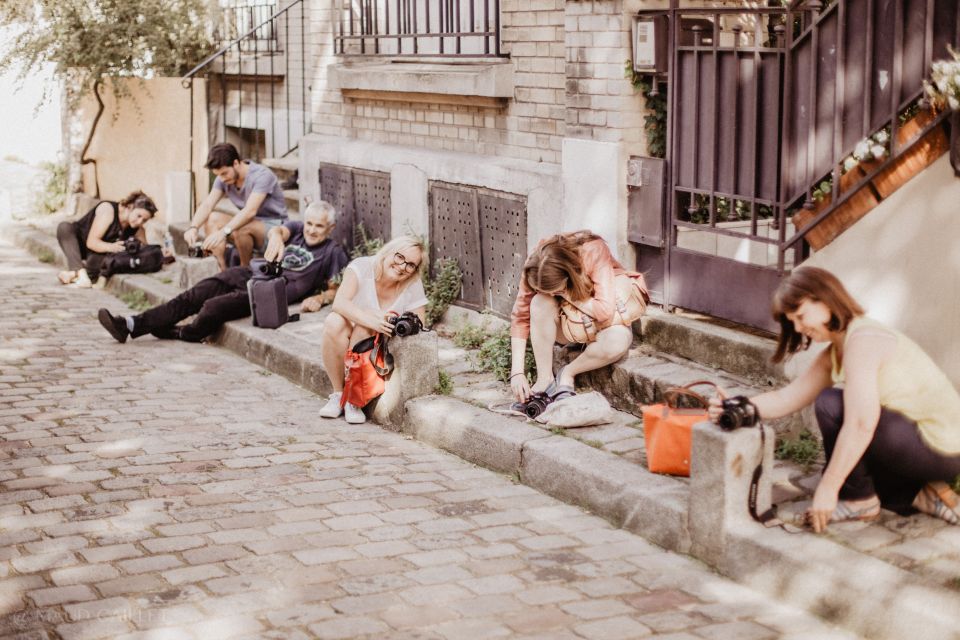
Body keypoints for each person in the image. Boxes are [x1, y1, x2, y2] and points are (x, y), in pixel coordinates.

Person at [707, 266, 960, 533]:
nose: (798, 327)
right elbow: (787, 398)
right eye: (792, 321)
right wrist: (739, 407)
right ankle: (919, 495)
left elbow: (862, 424)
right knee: (840, 419)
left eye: (801, 316)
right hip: (924, 448)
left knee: (832, 405)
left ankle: (859, 500)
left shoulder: (863, 340)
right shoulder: (836, 352)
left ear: (825, 299)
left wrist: (829, 486)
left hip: (942, 448)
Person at [97, 201, 348, 344]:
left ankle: (184, 333)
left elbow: (337, 290)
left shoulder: (333, 252)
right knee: (195, 294)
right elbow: (278, 231)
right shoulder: (295, 229)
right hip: (248, 274)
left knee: (212, 307)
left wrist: (321, 298)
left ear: (331, 227)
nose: (312, 230)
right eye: (310, 224)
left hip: (269, 293)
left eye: (319, 226)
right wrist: (276, 238)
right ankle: (130, 324)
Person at [508, 230, 649, 409]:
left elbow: (604, 311)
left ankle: (567, 374)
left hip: (605, 324)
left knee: (617, 342)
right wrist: (517, 372)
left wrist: (566, 293)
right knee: (538, 302)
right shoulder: (536, 264)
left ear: (568, 276)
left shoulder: (593, 250)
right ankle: (545, 380)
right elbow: (520, 316)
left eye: (554, 290)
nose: (551, 295)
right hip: (571, 324)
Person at [319, 236, 429, 424]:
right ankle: (338, 395)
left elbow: (420, 321)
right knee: (333, 321)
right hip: (348, 336)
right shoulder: (362, 267)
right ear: (388, 252)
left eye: (411, 265)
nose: (402, 266)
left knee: (363, 328)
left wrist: (395, 321)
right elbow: (340, 303)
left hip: (377, 344)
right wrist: (371, 318)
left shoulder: (412, 283)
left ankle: (354, 400)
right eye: (399, 257)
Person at [183, 143, 288, 270]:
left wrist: (223, 232)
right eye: (218, 175)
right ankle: (222, 270)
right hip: (250, 223)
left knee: (240, 226)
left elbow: (250, 211)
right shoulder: (224, 179)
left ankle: (244, 271)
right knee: (212, 219)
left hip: (275, 227)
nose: (221, 179)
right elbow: (207, 204)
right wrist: (193, 227)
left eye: (224, 173)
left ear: (236, 163)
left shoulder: (262, 175)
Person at [56, 190, 158, 287]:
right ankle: (81, 273)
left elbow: (146, 251)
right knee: (64, 228)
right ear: (129, 207)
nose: (139, 222)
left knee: (101, 263)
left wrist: (161, 252)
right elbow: (91, 242)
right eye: (138, 216)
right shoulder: (108, 210)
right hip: (80, 243)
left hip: (98, 252)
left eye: (144, 220)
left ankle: (73, 274)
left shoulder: (137, 228)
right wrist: (112, 247)